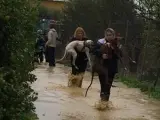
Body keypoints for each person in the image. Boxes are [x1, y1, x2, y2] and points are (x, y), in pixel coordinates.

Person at [93, 28, 122, 101]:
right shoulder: (100, 42)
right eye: (107, 35)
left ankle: (105, 103)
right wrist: (101, 55)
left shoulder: (117, 44)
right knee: (103, 86)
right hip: (102, 68)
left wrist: (114, 49)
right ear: (105, 35)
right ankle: (102, 103)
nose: (109, 36)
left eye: (110, 35)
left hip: (111, 69)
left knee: (108, 87)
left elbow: (120, 55)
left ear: (113, 35)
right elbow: (94, 51)